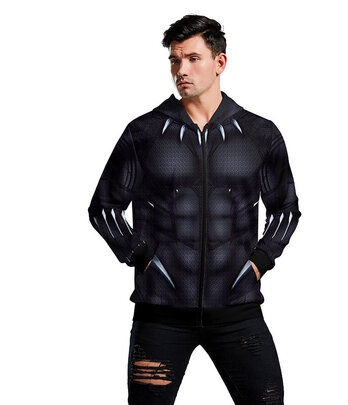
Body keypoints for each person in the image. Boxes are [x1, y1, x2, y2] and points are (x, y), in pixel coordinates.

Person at [88, 14, 302, 405]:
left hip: (238, 312)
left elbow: (285, 208)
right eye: (174, 60)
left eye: (192, 59)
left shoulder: (260, 134)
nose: (180, 70)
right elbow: (104, 207)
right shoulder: (144, 133)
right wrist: (142, 257)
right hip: (160, 315)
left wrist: (259, 261)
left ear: (220, 62)